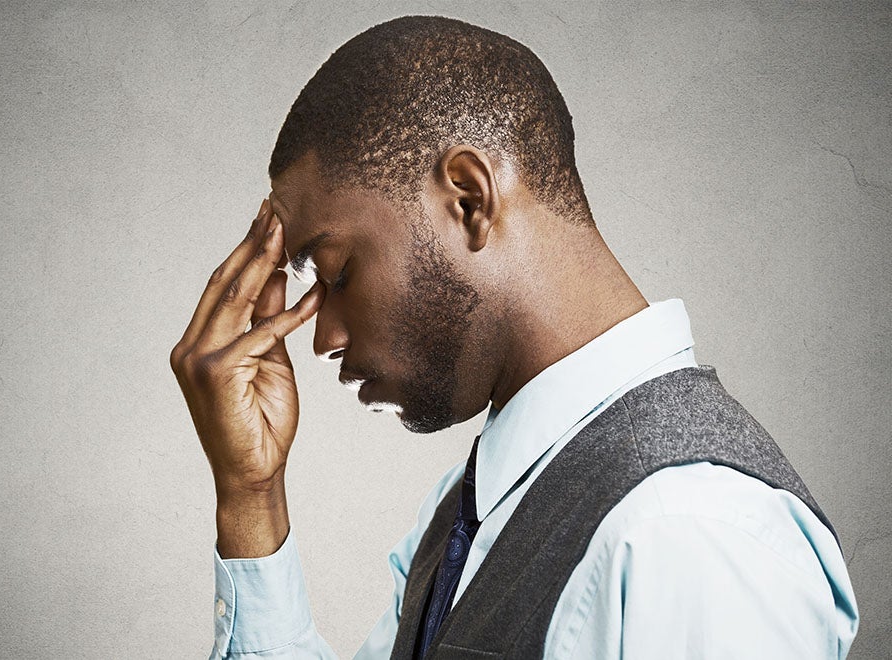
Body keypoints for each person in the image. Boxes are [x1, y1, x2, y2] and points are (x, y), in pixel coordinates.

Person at [170, 16, 858, 659]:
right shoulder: (469, 509)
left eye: (337, 271)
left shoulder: (687, 534)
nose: (319, 340)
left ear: (469, 199)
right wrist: (249, 495)